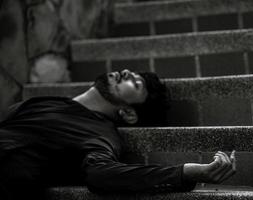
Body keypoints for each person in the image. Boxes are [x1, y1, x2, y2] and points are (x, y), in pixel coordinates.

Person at [0, 69, 236, 200]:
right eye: (131, 73)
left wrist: (185, 172)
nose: (126, 72)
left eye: (136, 84)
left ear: (128, 114)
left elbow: (102, 174)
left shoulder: (100, 133)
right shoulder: (43, 102)